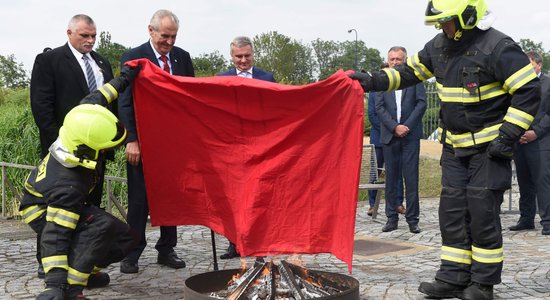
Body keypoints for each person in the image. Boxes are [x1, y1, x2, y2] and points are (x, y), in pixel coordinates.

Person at [349, 0, 540, 299]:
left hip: (489, 150)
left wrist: (508, 136)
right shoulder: (439, 45)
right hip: (454, 149)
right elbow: (408, 73)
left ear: (466, 17)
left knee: (481, 213)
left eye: (445, 21)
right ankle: (453, 276)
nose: (441, 26)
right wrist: (371, 80)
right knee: (451, 213)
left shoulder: (499, 46)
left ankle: (482, 283)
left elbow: (528, 91)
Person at [19, 66, 141, 300]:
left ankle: (84, 272)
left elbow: (101, 96)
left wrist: (125, 78)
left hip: (54, 198)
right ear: (87, 149)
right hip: (41, 210)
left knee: (127, 238)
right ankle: (71, 288)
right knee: (98, 227)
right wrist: (53, 285)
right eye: (104, 149)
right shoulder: (68, 185)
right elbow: (55, 235)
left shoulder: (81, 119)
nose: (107, 152)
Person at [29, 13, 114, 278]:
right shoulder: (49, 60)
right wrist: (64, 144)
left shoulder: (102, 63)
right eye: (84, 36)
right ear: (69, 33)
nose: (90, 41)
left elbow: (109, 105)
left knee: (89, 210)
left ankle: (80, 264)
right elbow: (42, 108)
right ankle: (49, 264)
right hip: (62, 154)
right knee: (57, 211)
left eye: (93, 36)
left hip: (96, 154)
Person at [118, 9, 195, 274]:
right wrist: (132, 139)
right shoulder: (132, 57)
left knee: (170, 195)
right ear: (151, 31)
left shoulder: (183, 58)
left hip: (173, 144)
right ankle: (132, 252)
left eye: (173, 36)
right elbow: (125, 101)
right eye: (165, 36)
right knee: (139, 199)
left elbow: (189, 98)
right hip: (142, 142)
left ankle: (167, 249)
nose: (170, 42)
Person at [216, 36, 276, 259]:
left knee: (259, 195)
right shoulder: (220, 80)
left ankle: (259, 241)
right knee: (232, 196)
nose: (243, 60)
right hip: (230, 148)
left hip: (259, 146)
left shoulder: (266, 78)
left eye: (247, 56)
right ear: (231, 56)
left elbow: (275, 109)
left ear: (253, 54)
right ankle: (234, 243)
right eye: (238, 56)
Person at [374, 46, 426, 233]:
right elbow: (379, 108)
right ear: (388, 61)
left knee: (411, 179)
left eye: (399, 59)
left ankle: (412, 220)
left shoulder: (415, 79)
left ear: (405, 61)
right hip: (390, 136)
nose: (395, 62)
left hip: (410, 137)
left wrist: (407, 126)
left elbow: (421, 103)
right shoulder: (382, 80)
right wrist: (395, 127)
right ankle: (391, 218)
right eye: (392, 59)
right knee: (391, 180)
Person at [509, 51, 550, 235]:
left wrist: (536, 132)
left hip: (541, 141)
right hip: (520, 140)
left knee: (542, 181)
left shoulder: (548, 83)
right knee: (524, 182)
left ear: (539, 65)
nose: (527, 68)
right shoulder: (517, 85)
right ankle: (526, 219)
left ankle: (547, 221)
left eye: (530, 64)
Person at [367, 63, 405, 217]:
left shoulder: (396, 89)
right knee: (375, 173)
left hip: (394, 138)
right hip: (378, 138)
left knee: (396, 172)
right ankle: (371, 204)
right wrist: (389, 128)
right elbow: (373, 114)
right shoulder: (374, 91)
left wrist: (394, 128)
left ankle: (398, 203)